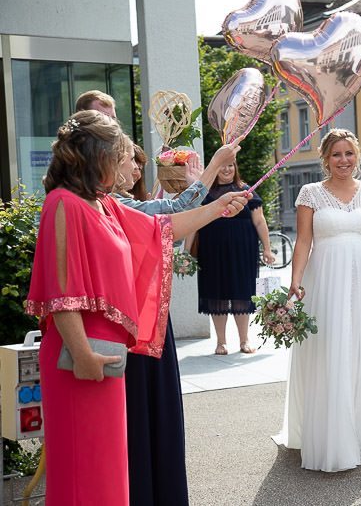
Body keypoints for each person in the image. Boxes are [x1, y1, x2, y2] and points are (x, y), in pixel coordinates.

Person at [25, 110, 249, 505]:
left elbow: (160, 229)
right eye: (117, 154)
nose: (122, 163)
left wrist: (218, 208)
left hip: (108, 357)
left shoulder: (104, 205)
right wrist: (81, 355)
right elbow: (61, 291)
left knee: (109, 466)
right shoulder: (63, 204)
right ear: (96, 156)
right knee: (83, 465)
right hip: (81, 357)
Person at [113, 134, 242, 506]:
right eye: (128, 159)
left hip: (142, 315)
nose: (136, 167)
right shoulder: (112, 205)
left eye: (138, 160)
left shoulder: (116, 203)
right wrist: (216, 166)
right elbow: (172, 217)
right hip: (135, 319)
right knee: (143, 414)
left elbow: (169, 215)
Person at [273, 129, 361, 471]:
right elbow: (303, 241)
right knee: (333, 354)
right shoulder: (310, 193)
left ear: (357, 156)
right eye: (336, 155)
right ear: (325, 159)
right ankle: (336, 437)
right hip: (325, 284)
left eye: (349, 153)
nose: (343, 160)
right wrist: (295, 280)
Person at [191, 160, 274, 355]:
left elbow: (260, 221)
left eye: (231, 165)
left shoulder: (246, 190)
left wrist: (268, 249)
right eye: (222, 165)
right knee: (215, 292)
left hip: (243, 250)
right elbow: (193, 223)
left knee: (242, 292)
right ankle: (221, 342)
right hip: (212, 250)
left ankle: (244, 340)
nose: (227, 169)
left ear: (236, 168)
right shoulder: (205, 193)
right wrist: (186, 253)